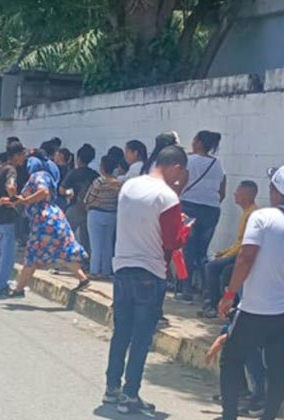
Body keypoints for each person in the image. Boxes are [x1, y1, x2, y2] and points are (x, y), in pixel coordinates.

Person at [217, 164, 284, 420]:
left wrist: (230, 294)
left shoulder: (261, 218)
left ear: (274, 191)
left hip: (256, 308)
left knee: (231, 358)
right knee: (278, 367)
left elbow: (246, 258)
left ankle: (229, 416)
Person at [103, 145, 191, 416]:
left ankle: (112, 387)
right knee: (141, 337)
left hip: (122, 266)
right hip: (150, 272)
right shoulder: (168, 197)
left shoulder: (129, 186)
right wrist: (185, 228)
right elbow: (171, 241)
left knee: (121, 332)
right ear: (175, 167)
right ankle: (130, 394)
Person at [2, 156, 90, 297]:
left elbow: (43, 192)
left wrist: (25, 200)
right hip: (54, 219)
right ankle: (83, 279)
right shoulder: (46, 176)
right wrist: (15, 201)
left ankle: (19, 289)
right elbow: (32, 198)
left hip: (43, 221)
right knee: (63, 250)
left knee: (32, 256)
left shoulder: (38, 176)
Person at [199, 181, 258, 319]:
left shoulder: (253, 215)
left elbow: (244, 244)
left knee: (211, 267)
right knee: (218, 266)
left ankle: (212, 305)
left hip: (244, 255)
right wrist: (225, 253)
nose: (235, 194)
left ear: (246, 195)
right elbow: (240, 241)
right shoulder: (247, 212)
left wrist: (226, 256)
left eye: (238, 191)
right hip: (238, 252)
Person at [178, 130, 226, 303]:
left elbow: (182, 182)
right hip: (211, 210)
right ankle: (207, 291)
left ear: (198, 142)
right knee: (202, 251)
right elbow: (222, 191)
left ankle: (186, 289)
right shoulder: (218, 164)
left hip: (189, 208)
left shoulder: (189, 162)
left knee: (187, 249)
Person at [0, 141, 27, 299]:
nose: (24, 158)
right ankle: (1, 286)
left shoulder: (0, 168)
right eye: (23, 154)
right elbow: (11, 186)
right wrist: (16, 199)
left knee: (4, 252)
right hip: (7, 217)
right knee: (8, 255)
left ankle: (3, 282)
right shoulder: (12, 170)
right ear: (17, 155)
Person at [85, 155, 121, 279]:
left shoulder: (99, 181)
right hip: (112, 214)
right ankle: (106, 270)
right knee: (107, 244)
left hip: (96, 213)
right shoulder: (117, 182)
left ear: (102, 167)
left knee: (95, 245)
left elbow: (88, 198)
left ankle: (94, 270)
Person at [60, 143, 99, 253]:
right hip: (89, 208)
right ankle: (86, 260)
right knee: (86, 237)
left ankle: (64, 259)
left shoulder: (73, 173)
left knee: (66, 234)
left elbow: (62, 190)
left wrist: (69, 193)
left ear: (78, 158)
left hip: (74, 207)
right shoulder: (94, 174)